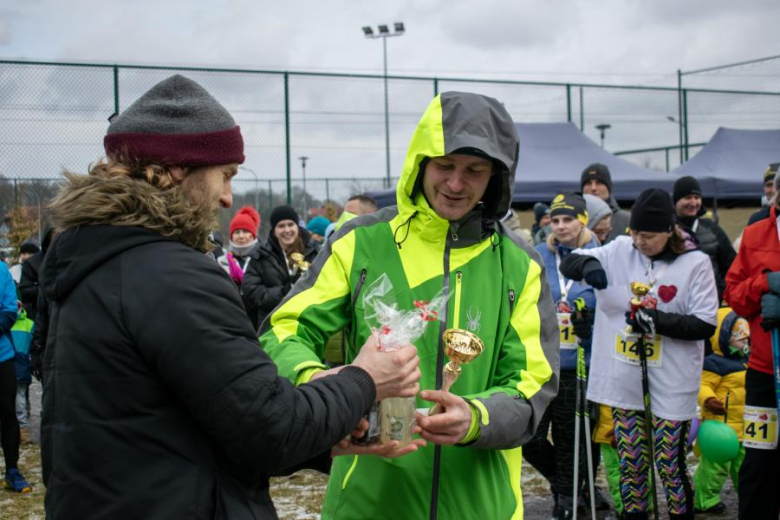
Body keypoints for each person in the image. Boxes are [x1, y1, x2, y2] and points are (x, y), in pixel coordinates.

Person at [39, 74, 423, 519]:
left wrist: (327, 427)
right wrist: (363, 379)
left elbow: (198, 425)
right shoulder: (170, 274)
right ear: (176, 168)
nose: (226, 197)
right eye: (225, 175)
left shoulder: (100, 260)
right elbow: (270, 428)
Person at [260, 91, 559, 519]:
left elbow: (533, 383)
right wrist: (322, 382)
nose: (456, 184)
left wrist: (476, 417)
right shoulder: (360, 242)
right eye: (444, 166)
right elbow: (281, 331)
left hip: (482, 506)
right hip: (366, 503)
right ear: (420, 163)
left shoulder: (521, 266)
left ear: (496, 176)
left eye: (474, 170)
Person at [561, 188, 718, 520]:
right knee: (631, 459)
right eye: (635, 233)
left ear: (668, 231)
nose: (639, 242)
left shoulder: (696, 262)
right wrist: (590, 267)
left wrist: (657, 321)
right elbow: (572, 258)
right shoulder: (621, 248)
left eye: (648, 236)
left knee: (667, 460)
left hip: (672, 377)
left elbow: (705, 323)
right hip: (625, 377)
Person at [522, 193, 602, 519]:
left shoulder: (599, 256)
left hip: (580, 365)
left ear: (583, 220)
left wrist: (591, 324)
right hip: (542, 364)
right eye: (555, 221)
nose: (560, 226)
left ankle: (566, 504)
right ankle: (564, 485)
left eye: (568, 219)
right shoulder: (540, 255)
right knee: (531, 438)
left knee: (571, 442)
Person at [723, 182, 780, 520]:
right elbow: (734, 296)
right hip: (764, 372)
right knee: (758, 462)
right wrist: (763, 284)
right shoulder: (757, 233)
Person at [692, 307, 750, 516]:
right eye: (740, 339)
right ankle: (704, 499)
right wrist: (709, 399)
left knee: (744, 468)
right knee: (714, 468)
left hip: (743, 428)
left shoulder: (747, 362)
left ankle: (749, 496)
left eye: (746, 339)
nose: (745, 343)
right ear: (723, 337)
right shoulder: (713, 363)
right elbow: (702, 384)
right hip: (720, 430)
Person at [242, 205, 321, 330]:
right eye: (281, 226)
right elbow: (250, 291)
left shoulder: (315, 251)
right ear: (274, 230)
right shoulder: (261, 255)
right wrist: (283, 292)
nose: (287, 230)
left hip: (309, 323)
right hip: (273, 325)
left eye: (290, 224)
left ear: (297, 227)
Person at [673, 176, 735, 302]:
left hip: (710, 303)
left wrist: (720, 290)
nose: (693, 203)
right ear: (676, 200)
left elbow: (732, 266)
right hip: (676, 303)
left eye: (697, 198)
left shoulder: (712, 229)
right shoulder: (667, 230)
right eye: (687, 198)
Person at [0, 262, 32, 494]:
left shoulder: (1, 269)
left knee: (7, 413)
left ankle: (12, 470)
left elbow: (10, 311)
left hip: (2, 357)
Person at [580, 163, 630, 243]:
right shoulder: (571, 220)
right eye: (588, 183)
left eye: (599, 183)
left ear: (609, 187)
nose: (593, 188)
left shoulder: (627, 220)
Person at [218, 206, 261, 285]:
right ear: (231, 237)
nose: (241, 236)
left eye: (245, 231)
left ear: (253, 235)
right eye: (237, 232)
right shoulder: (221, 262)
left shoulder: (263, 260)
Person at [18, 228, 54, 321]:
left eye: (29, 253)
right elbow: (24, 292)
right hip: (38, 317)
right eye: (24, 253)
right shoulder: (31, 264)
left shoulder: (74, 261)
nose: (26, 256)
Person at [11, 303, 34, 445]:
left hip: (20, 364)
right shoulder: (29, 324)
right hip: (15, 362)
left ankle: (23, 428)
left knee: (19, 396)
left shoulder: (29, 324)